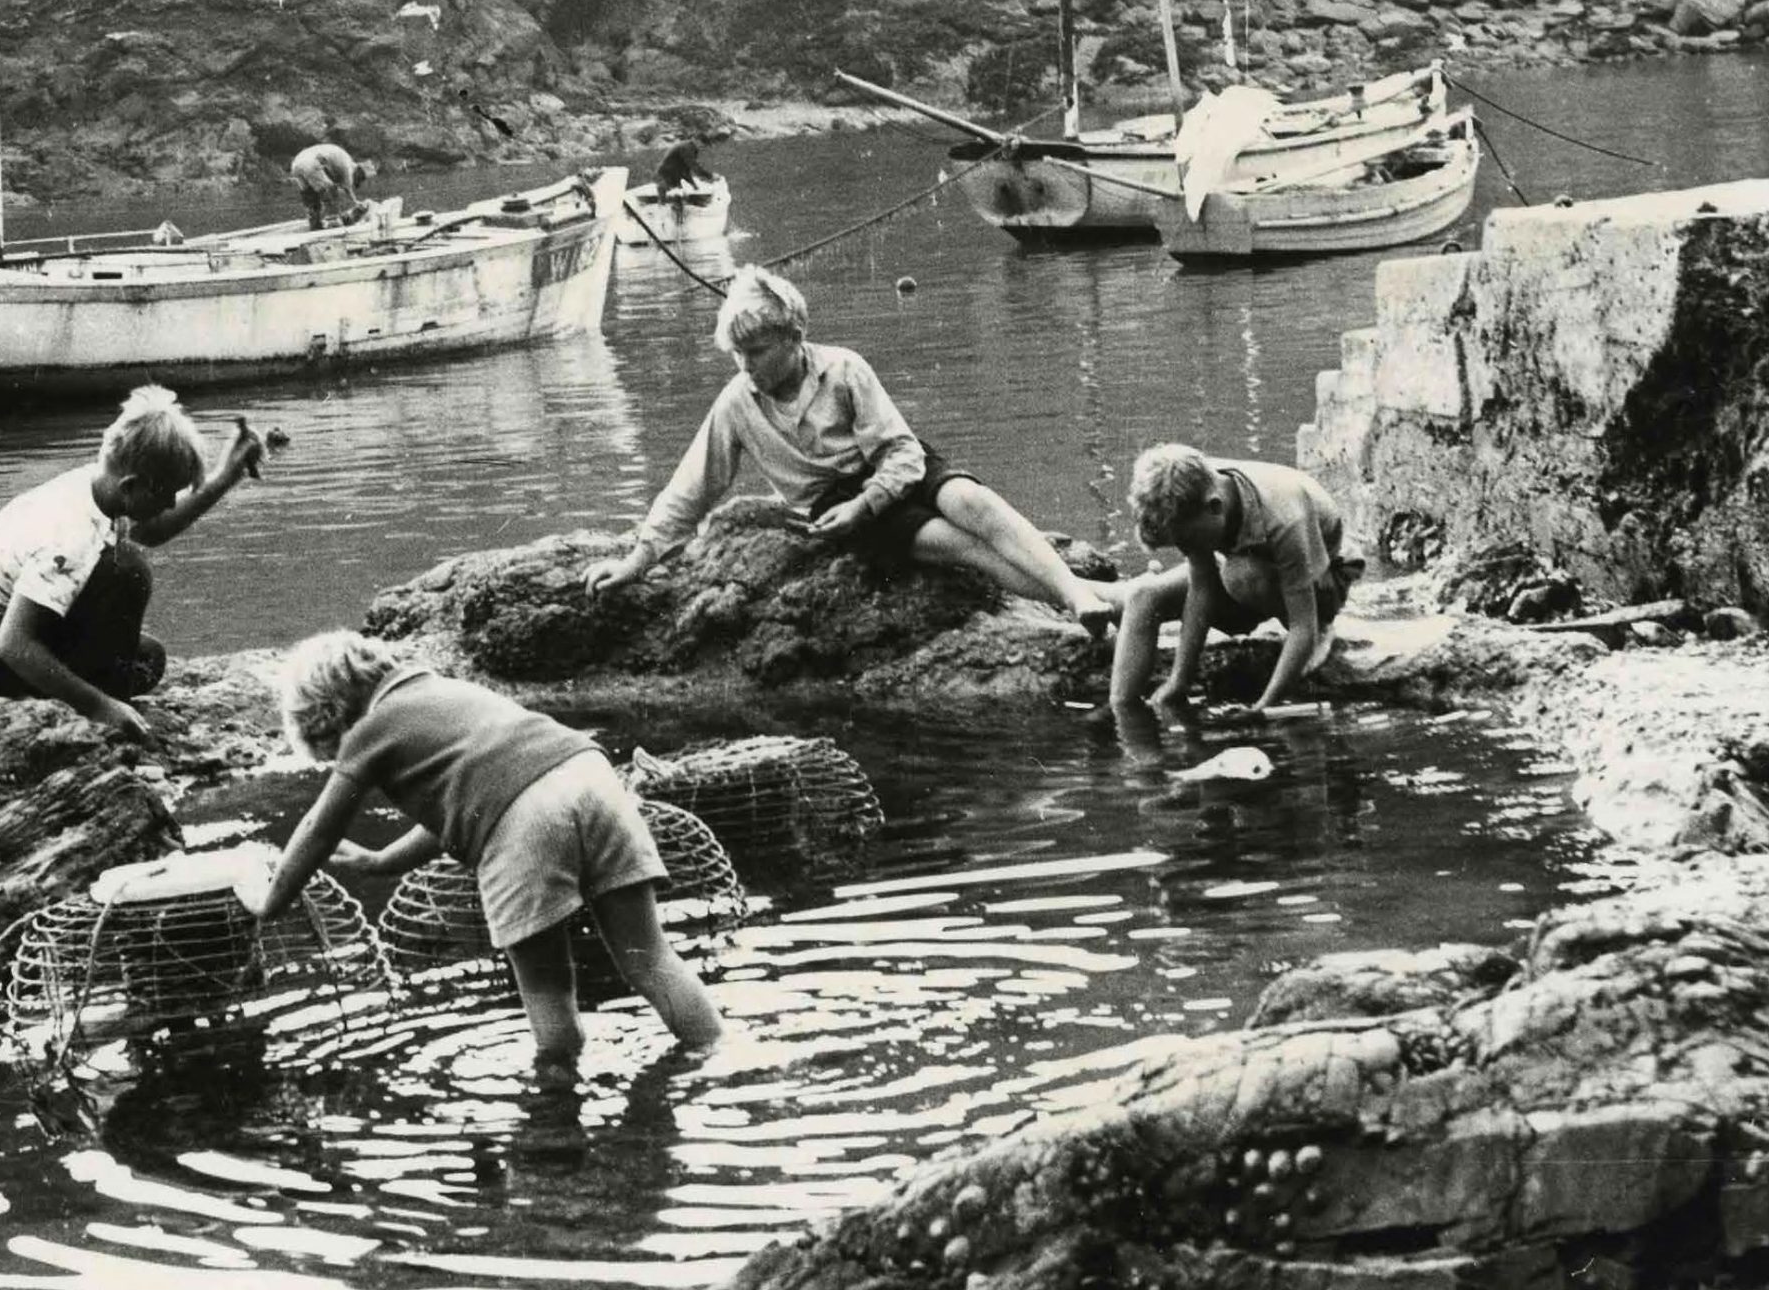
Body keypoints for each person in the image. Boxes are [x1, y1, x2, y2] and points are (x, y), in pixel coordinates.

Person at [257, 630, 722, 1083]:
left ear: (333, 713)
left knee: (548, 988)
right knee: (650, 957)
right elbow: (471, 800)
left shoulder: (369, 729)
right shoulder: (444, 689)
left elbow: (319, 829)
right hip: (591, 776)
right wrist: (383, 861)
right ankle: (717, 1061)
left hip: (526, 820)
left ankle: (556, 1122)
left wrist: (269, 903)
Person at [582, 267, 1117, 636]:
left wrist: (871, 498)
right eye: (737, 354)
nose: (746, 365)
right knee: (962, 545)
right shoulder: (735, 405)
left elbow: (902, 453)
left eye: (758, 351)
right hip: (835, 504)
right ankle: (1105, 597)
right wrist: (638, 558)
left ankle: (1079, 597)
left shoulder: (843, 369)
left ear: (795, 336)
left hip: (893, 468)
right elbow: (690, 489)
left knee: (973, 503)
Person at [0, 386, 263, 742]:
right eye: (167, 493)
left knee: (148, 658)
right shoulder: (70, 534)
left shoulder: (99, 488)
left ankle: (99, 688)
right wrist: (100, 707)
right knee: (128, 570)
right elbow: (13, 645)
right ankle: (104, 697)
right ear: (131, 486)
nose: (172, 502)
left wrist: (226, 475)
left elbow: (153, 530)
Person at [1106, 443, 1363, 718]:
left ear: (1215, 507)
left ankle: (1323, 630)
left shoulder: (1284, 516)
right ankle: (1121, 713)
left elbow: (1302, 627)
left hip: (1321, 583)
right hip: (1246, 573)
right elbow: (1201, 586)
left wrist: (1264, 707)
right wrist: (1178, 682)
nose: (1186, 551)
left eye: (1188, 542)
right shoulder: (1197, 489)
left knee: (1241, 575)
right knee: (1143, 596)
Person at [289, 138, 374, 231]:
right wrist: (356, 202)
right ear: (359, 171)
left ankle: (314, 223)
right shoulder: (348, 166)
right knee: (330, 189)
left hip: (296, 164)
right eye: (360, 179)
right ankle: (333, 222)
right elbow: (346, 187)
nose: (358, 181)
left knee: (309, 194)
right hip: (310, 163)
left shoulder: (339, 160)